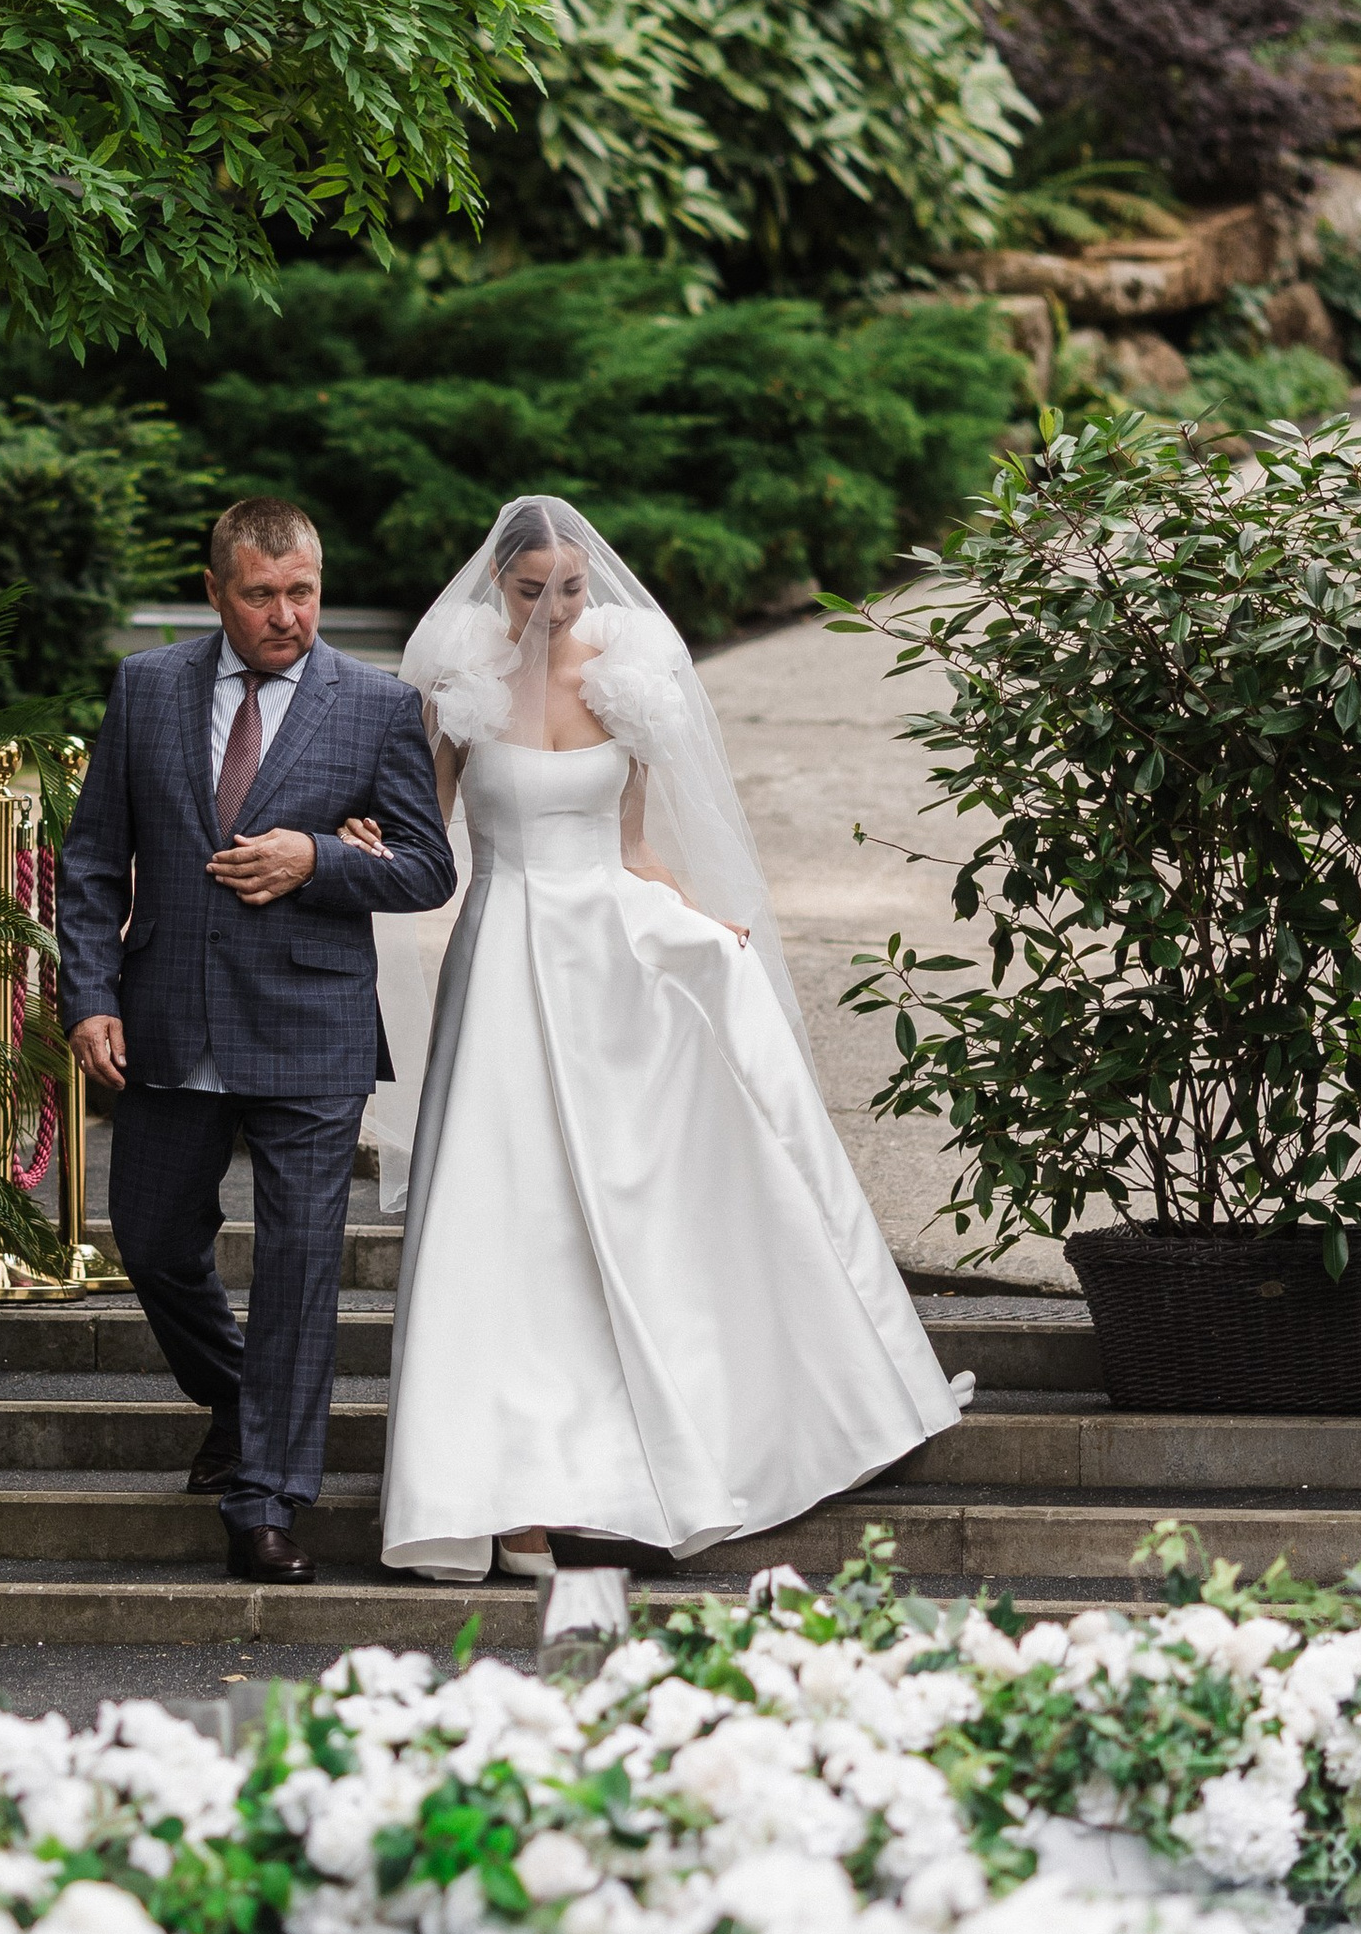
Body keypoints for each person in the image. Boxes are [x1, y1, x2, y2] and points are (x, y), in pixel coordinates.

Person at [353, 494, 965, 1582]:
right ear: (500, 584)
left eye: (571, 590)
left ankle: (665, 1450)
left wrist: (696, 919)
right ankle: (503, 1487)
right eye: (533, 590)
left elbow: (632, 845)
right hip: (500, 960)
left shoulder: (628, 677)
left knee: (635, 1205)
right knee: (508, 1216)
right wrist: (365, 840)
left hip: (613, 965)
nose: (553, 609)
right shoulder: (457, 687)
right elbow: (425, 844)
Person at [59, 496, 458, 1586]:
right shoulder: (147, 688)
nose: (287, 616)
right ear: (216, 591)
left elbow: (427, 869)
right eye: (262, 594)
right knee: (149, 1238)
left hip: (311, 1024)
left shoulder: (377, 704)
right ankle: (241, 1397)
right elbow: (94, 857)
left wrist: (317, 860)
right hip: (170, 1018)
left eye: (303, 592)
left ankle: (268, 1499)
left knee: (295, 1265)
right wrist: (90, 993)